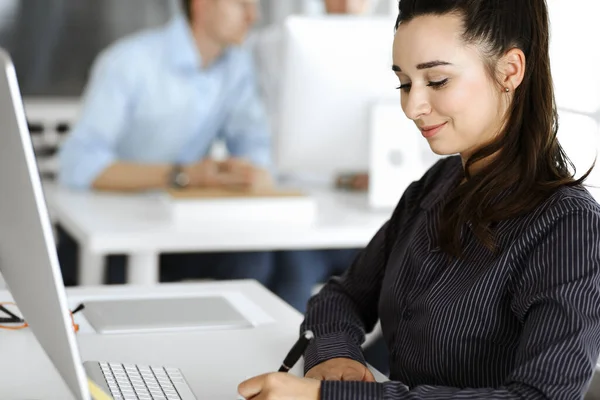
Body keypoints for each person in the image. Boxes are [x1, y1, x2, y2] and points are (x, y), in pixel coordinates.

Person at [238, 0, 600, 398]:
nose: (412, 107)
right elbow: (343, 294)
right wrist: (335, 356)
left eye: (438, 81)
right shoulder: (438, 185)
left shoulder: (570, 228)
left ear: (509, 71)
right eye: (405, 83)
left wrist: (330, 396)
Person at [57, 0, 276, 286]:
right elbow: (77, 165)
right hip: (113, 230)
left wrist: (249, 170)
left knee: (255, 260)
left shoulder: (236, 67)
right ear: (201, 5)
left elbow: (252, 141)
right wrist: (183, 175)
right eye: (240, 3)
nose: (253, 15)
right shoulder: (129, 61)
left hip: (178, 225)